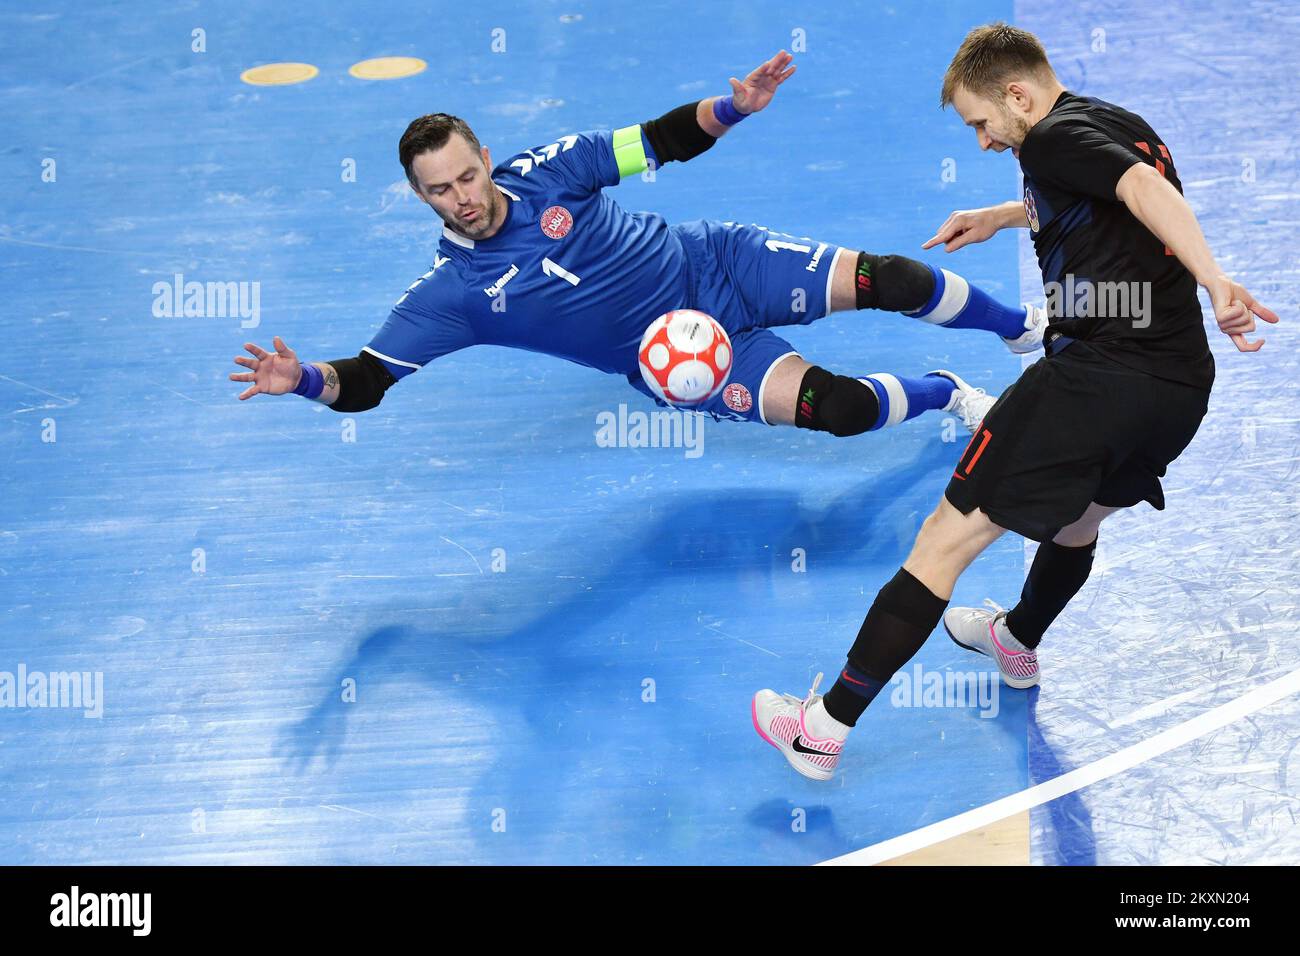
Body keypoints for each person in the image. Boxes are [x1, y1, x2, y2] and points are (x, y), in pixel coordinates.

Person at [752, 24, 1279, 780]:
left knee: (943, 540)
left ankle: (823, 728)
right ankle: (1018, 637)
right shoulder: (1119, 124)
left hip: (1094, 378)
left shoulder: (1050, 142)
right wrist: (1000, 216)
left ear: (1018, 94)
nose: (983, 140)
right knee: (1077, 520)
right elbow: (1113, 192)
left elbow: (1140, 192)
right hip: (1178, 388)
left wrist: (1215, 278)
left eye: (981, 121)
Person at [231, 50, 1046, 439]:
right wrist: (302, 379)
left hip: (718, 262)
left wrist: (733, 111)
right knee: (839, 410)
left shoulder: (550, 170)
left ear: (485, 159)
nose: (464, 198)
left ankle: (1018, 329)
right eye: (441, 191)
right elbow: (369, 381)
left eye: (468, 176)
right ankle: (944, 391)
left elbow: (655, 142)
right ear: (419, 196)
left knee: (894, 278)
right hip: (683, 359)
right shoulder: (450, 295)